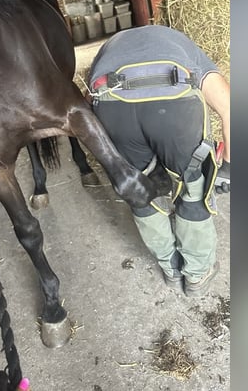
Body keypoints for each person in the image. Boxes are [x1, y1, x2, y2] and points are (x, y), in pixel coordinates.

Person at [88, 25, 230, 296]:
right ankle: (198, 274)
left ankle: (170, 268)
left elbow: (89, 100)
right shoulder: (182, 45)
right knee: (193, 186)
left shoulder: (109, 46)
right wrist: (229, 169)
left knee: (140, 190)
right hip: (172, 102)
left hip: (111, 103)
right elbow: (229, 108)